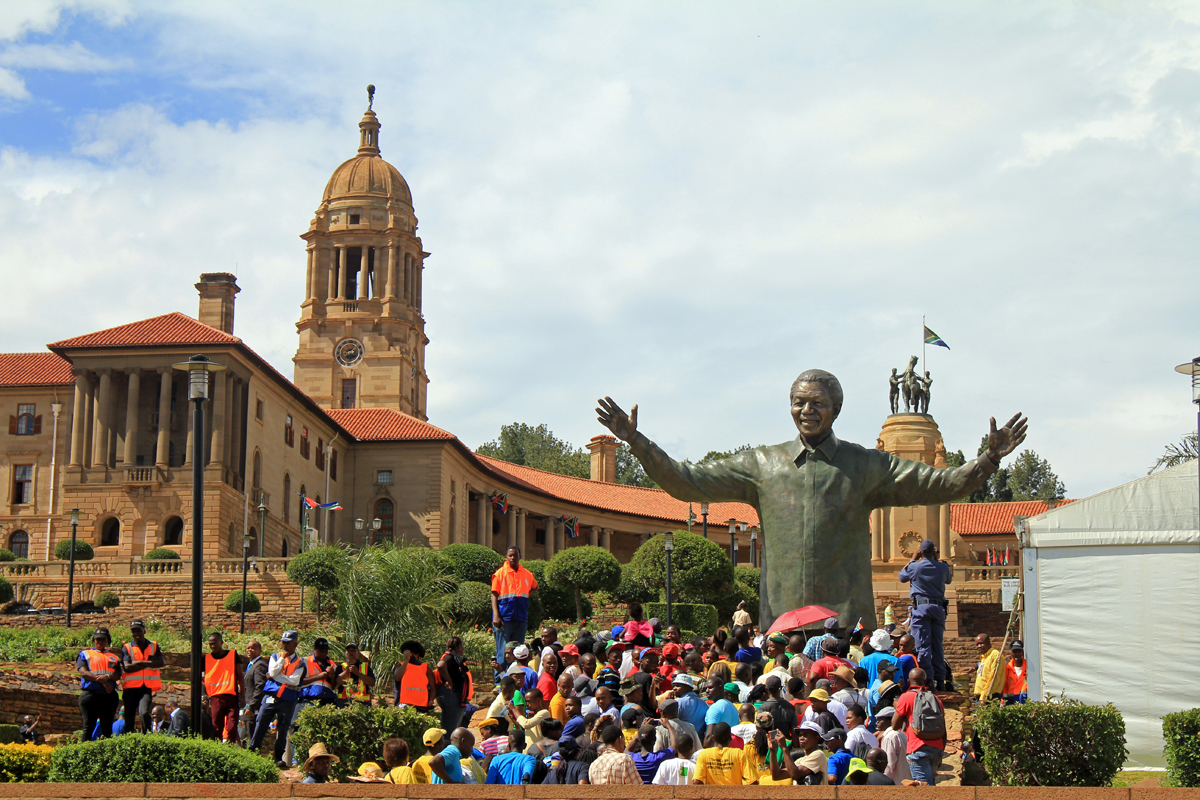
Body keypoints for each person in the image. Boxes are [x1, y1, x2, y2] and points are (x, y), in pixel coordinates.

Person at [595, 380, 1026, 627]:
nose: (807, 410)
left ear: (835, 409)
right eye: (799, 402)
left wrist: (988, 460)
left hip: (848, 627)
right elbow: (685, 482)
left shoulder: (865, 465)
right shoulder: (762, 463)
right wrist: (635, 441)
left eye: (817, 403)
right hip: (781, 628)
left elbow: (942, 485)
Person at [899, 539, 953, 690]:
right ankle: (940, 680)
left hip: (921, 609)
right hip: (938, 608)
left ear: (921, 552)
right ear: (934, 552)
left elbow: (902, 576)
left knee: (923, 646)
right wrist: (936, 560)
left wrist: (913, 559)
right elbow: (948, 579)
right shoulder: (942, 567)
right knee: (937, 645)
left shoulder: (915, 567)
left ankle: (928, 680)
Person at [249, 630, 307, 768]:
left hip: (288, 699)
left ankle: (278, 758)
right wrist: (281, 660)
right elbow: (273, 672)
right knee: (261, 723)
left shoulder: (300, 663)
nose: (285, 646)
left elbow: (294, 680)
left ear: (295, 643)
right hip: (271, 697)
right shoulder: (275, 657)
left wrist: (277, 677)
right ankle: (253, 753)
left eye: (288, 643)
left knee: (283, 728)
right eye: (283, 643)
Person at [891, 668, 945, 785]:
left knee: (923, 787)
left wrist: (898, 707)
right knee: (930, 784)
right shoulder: (936, 699)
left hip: (917, 747)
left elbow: (894, 725)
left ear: (909, 681)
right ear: (925, 681)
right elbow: (943, 729)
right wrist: (941, 752)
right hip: (937, 748)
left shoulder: (905, 697)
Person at [490, 546, 538, 675]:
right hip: (504, 618)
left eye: (514, 555)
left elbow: (535, 586)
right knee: (503, 651)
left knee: (518, 650)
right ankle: (499, 681)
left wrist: (527, 595)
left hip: (520, 617)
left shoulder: (527, 574)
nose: (512, 558)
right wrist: (496, 616)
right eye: (510, 555)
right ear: (506, 557)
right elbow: (494, 595)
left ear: (519, 557)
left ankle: (515, 678)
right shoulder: (500, 573)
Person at [119, 619, 163, 734]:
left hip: (146, 687)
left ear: (144, 631)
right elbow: (127, 667)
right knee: (129, 718)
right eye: (134, 632)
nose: (136, 634)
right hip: (130, 688)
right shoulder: (127, 647)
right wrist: (148, 663)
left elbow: (160, 663)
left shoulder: (153, 646)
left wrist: (138, 663)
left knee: (144, 713)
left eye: (138, 631)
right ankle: (129, 739)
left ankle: (146, 737)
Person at [77, 628, 122, 740]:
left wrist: (107, 678)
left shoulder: (114, 657)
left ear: (107, 641)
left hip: (108, 696)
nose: (99, 642)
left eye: (102, 639)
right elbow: (83, 672)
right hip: (90, 694)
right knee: (89, 726)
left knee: (107, 729)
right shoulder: (85, 654)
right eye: (97, 639)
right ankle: (83, 754)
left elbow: (117, 675)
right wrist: (101, 681)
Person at [204, 631, 244, 743]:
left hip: (231, 696)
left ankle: (230, 749)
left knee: (231, 727)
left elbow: (240, 675)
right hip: (216, 697)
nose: (212, 646)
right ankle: (217, 750)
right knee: (216, 728)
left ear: (221, 642)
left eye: (215, 643)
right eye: (210, 644)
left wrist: (243, 696)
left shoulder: (232, 655)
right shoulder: (207, 658)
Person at [768, 721, 827, 785]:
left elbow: (795, 774)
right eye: (800, 735)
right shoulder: (801, 760)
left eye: (806, 735)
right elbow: (777, 775)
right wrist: (773, 751)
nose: (801, 738)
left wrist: (784, 748)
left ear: (817, 738)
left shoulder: (818, 754)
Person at [437, 636, 471, 731]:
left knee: (451, 727)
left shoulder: (453, 658)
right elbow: (440, 665)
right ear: (459, 647)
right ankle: (447, 744)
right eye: (462, 646)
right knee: (450, 729)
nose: (463, 648)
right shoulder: (450, 657)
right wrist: (449, 681)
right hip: (451, 695)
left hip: (452, 696)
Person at [299, 637, 341, 712]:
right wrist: (318, 677)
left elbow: (334, 686)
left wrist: (332, 675)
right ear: (315, 649)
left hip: (327, 701)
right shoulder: (305, 661)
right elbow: (298, 682)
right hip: (309, 700)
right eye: (321, 651)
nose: (324, 654)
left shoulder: (331, 664)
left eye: (326, 651)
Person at [394, 640, 435, 712]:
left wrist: (431, 701)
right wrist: (406, 660)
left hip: (421, 706)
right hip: (403, 705)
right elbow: (397, 677)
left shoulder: (426, 668)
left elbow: (433, 688)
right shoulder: (401, 666)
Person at [874, 706, 910, 783]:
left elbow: (889, 764)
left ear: (890, 721)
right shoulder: (902, 734)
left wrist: (884, 782)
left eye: (880, 719)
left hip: (896, 782)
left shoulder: (889, 737)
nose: (877, 722)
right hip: (906, 780)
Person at [241, 640, 268, 741]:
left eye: (252, 648)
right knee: (244, 736)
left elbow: (260, 686)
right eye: (248, 648)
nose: (249, 650)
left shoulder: (259, 665)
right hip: (247, 707)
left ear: (259, 651)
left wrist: (252, 706)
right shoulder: (251, 665)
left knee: (249, 737)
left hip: (253, 709)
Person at [973, 633, 1004, 703]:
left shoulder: (995, 655)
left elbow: (993, 677)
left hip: (989, 696)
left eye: (981, 643)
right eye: (977, 645)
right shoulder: (984, 657)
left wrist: (983, 697)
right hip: (980, 697)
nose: (979, 646)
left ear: (988, 642)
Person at [1002, 640, 1028, 704]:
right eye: (1014, 652)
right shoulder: (1007, 668)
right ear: (1011, 653)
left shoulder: (1028, 667)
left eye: (1019, 651)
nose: (1017, 654)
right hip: (1010, 702)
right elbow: (1005, 686)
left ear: (1022, 653)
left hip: (1025, 701)